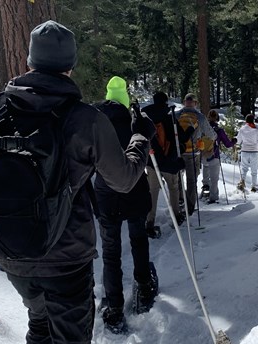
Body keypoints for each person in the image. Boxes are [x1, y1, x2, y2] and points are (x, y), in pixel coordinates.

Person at [0, 20, 155, 344]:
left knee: (39, 322)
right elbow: (123, 179)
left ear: (30, 61)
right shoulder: (85, 119)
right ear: (70, 65)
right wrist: (140, 137)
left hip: (12, 249)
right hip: (67, 258)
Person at [93, 76, 158, 334]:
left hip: (105, 191)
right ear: (125, 99)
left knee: (110, 250)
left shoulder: (94, 119)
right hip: (133, 186)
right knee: (138, 238)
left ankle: (114, 307)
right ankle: (143, 285)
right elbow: (144, 148)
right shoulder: (136, 121)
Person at [142, 92, 192, 233]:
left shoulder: (146, 117)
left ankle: (149, 221)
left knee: (153, 191)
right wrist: (189, 130)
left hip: (152, 160)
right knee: (173, 188)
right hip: (169, 160)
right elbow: (181, 138)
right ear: (165, 102)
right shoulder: (169, 117)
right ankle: (176, 215)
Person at [175, 93, 216, 216]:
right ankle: (190, 206)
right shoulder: (200, 117)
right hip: (193, 152)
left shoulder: (176, 115)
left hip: (178, 151)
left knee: (178, 177)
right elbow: (211, 134)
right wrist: (215, 136)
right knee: (191, 179)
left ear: (184, 102)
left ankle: (180, 199)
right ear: (195, 103)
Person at [200, 109, 236, 204]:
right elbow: (227, 144)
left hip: (203, 156)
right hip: (214, 156)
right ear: (217, 118)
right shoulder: (219, 130)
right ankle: (213, 197)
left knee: (206, 171)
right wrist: (234, 142)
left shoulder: (203, 129)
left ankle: (205, 188)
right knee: (214, 178)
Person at [236, 114, 258, 192]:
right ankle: (253, 186)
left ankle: (242, 182)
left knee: (244, 168)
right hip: (254, 151)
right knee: (254, 170)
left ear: (246, 120)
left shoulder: (242, 129)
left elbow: (238, 141)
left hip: (244, 151)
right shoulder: (256, 130)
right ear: (253, 120)